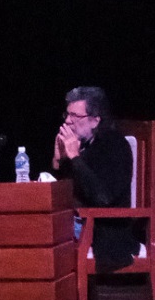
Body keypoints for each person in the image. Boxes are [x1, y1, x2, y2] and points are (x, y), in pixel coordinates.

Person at [52, 86, 140, 272]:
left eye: (75, 116)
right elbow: (68, 189)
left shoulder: (114, 146)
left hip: (107, 233)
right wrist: (59, 159)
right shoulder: (85, 144)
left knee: (46, 239)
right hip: (78, 223)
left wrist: (75, 158)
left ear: (95, 120)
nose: (67, 121)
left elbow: (103, 197)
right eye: (67, 114)